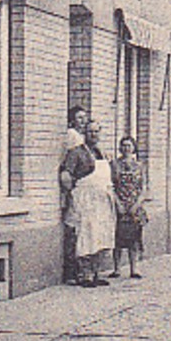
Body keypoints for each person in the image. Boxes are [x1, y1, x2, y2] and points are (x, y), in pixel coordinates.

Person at [61, 121, 118, 287]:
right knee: (85, 235)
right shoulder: (76, 153)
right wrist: (73, 194)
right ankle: (83, 275)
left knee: (101, 236)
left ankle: (96, 273)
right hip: (85, 201)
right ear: (84, 133)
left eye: (96, 132)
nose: (93, 135)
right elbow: (66, 175)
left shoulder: (101, 153)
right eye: (90, 132)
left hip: (102, 202)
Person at [110, 136, 148, 280]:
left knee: (134, 239)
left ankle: (134, 268)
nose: (126, 148)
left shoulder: (139, 166)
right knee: (118, 238)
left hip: (134, 206)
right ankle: (117, 268)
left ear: (133, 148)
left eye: (129, 146)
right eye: (124, 146)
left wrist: (137, 204)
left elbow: (143, 188)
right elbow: (111, 186)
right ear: (120, 148)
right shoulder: (114, 165)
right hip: (119, 205)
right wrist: (117, 203)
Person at [60, 107, 88, 284]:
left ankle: (77, 270)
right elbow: (69, 168)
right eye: (79, 118)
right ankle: (70, 271)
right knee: (73, 229)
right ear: (72, 120)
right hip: (74, 190)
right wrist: (71, 190)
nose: (83, 121)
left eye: (85, 118)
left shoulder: (80, 138)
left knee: (78, 230)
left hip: (81, 190)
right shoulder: (73, 137)